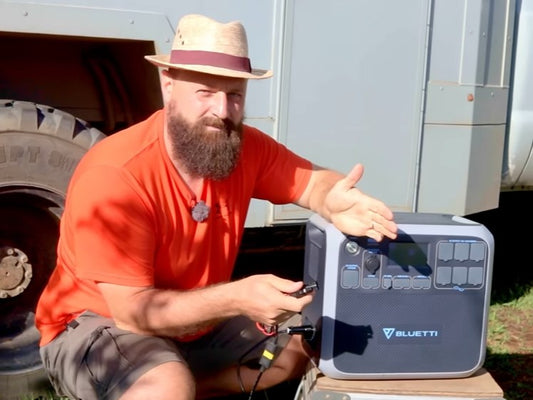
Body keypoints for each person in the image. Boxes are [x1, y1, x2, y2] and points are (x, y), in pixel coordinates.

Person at [35, 13, 398, 400]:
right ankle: (179, 384)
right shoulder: (117, 175)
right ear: (168, 86)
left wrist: (331, 199)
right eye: (206, 92)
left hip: (194, 324)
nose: (223, 111)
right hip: (97, 323)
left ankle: (201, 386)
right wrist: (238, 297)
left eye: (235, 95)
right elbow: (133, 313)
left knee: (308, 346)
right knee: (165, 386)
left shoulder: (244, 147)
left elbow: (311, 182)